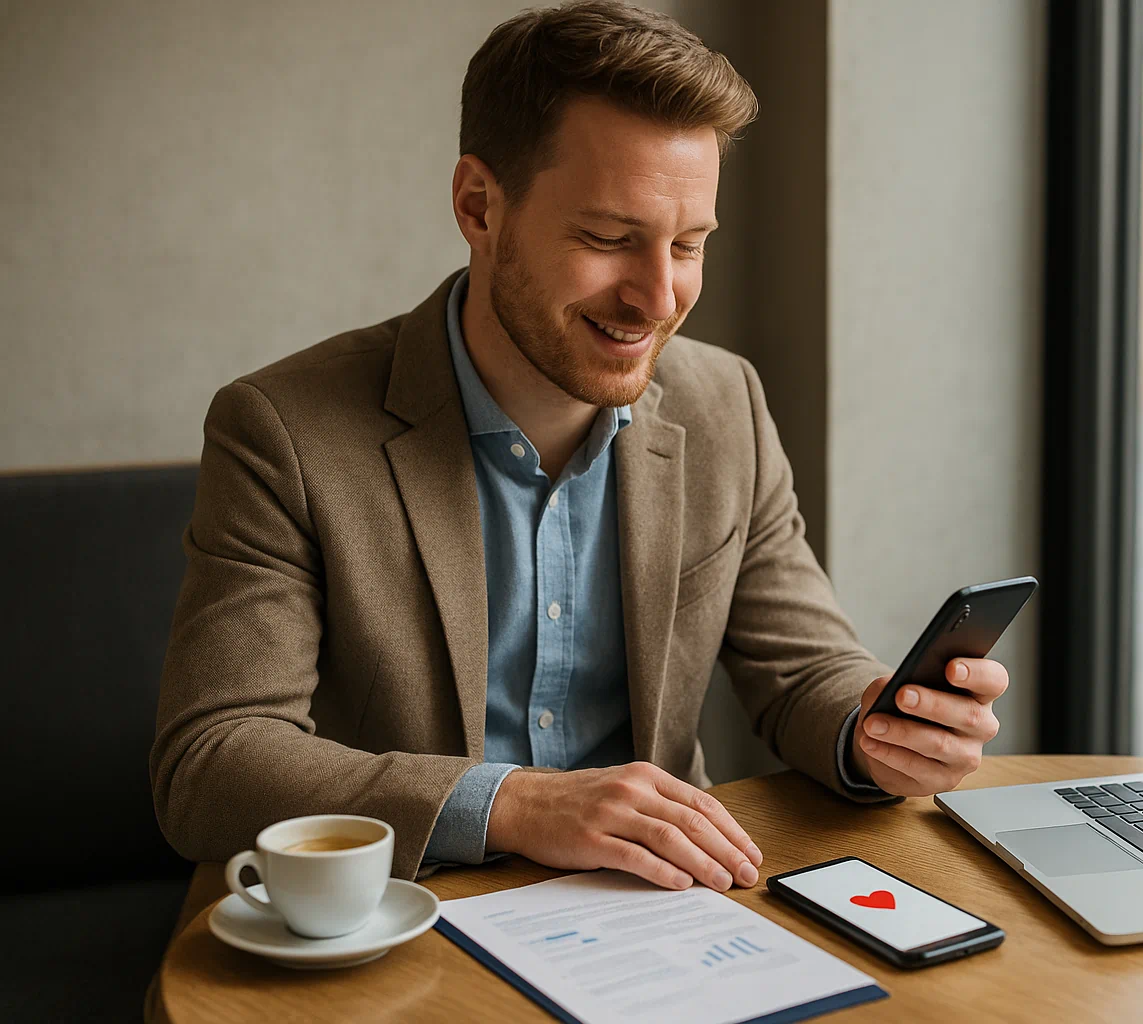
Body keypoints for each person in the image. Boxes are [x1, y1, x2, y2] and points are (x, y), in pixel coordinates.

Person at [151, 0, 1008, 890]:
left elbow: (804, 670)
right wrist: (516, 804)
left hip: (663, 911)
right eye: (609, 239)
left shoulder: (727, 405)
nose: (659, 298)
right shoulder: (282, 430)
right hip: (411, 914)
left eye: (689, 245)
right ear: (479, 206)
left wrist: (878, 730)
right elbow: (210, 762)